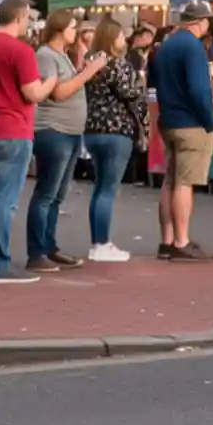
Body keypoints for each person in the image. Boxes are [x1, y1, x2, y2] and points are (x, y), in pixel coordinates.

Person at [0, 0, 55, 283]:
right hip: (12, 129)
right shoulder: (21, 51)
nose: (29, 23)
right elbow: (32, 93)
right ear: (19, 17)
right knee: (3, 198)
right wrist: (50, 82)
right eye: (28, 18)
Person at [27, 9, 107, 272]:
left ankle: (49, 246)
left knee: (57, 195)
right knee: (46, 193)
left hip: (70, 131)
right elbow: (59, 92)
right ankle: (36, 252)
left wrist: (82, 68)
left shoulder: (62, 56)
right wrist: (88, 72)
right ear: (60, 30)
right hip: (54, 130)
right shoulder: (45, 56)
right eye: (73, 28)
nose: (77, 32)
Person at [153, 1, 213, 262]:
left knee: (170, 181)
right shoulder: (193, 47)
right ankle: (182, 241)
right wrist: (208, 119)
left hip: (169, 118)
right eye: (207, 21)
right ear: (199, 22)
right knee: (184, 182)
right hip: (190, 123)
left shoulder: (167, 45)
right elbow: (198, 89)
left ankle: (167, 240)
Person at [82, 18, 144, 262]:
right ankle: (102, 243)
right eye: (119, 36)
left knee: (100, 187)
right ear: (111, 39)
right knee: (109, 188)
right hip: (117, 130)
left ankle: (96, 242)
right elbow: (131, 94)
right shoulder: (118, 64)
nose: (124, 40)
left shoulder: (89, 63)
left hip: (92, 129)